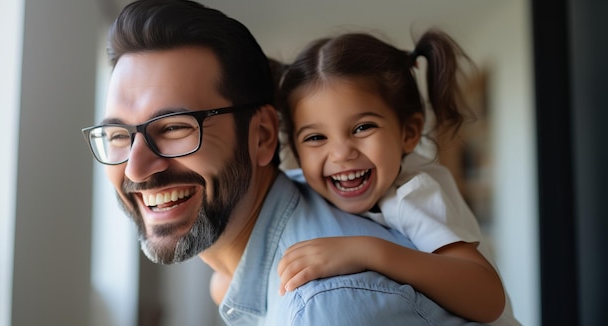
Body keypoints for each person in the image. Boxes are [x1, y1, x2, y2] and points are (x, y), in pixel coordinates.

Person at [81, 0, 485, 325]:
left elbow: (485, 292)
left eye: (173, 128)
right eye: (118, 136)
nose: (135, 168)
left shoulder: (324, 308)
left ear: (262, 136)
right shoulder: (239, 271)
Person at [274, 31, 520, 325]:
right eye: (315, 137)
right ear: (296, 151)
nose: (340, 153)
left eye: (363, 127)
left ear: (409, 132)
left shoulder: (413, 193)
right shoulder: (302, 183)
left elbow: (487, 297)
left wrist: (368, 252)